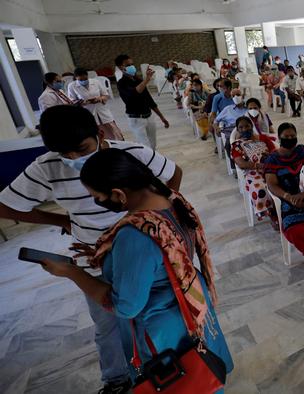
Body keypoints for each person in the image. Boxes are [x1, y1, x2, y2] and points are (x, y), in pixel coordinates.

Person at [0, 105, 183, 394]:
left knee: (147, 315)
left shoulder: (132, 155)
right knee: (107, 324)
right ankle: (119, 378)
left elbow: (173, 175)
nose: (74, 159)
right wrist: (62, 219)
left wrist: (149, 216)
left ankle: (160, 370)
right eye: (65, 154)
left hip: (137, 254)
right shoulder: (47, 167)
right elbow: (5, 204)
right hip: (94, 258)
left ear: (98, 133)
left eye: (81, 149)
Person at [40, 148, 233, 391]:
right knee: (203, 375)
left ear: (119, 193)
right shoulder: (171, 198)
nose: (96, 202)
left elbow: (126, 306)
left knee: (184, 381)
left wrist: (72, 272)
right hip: (189, 311)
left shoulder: (134, 237)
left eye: (97, 196)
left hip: (163, 331)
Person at [265, 123, 304, 268]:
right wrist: (289, 197)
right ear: (279, 138)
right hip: (288, 197)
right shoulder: (272, 160)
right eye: (286, 137)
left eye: (293, 136)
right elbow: (272, 184)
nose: (290, 139)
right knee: (293, 229)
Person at [231, 116, 278, 228]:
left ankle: (285, 208)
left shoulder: (263, 138)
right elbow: (241, 163)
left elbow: (274, 152)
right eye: (241, 127)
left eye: (247, 126)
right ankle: (272, 213)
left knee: (284, 181)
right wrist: (258, 165)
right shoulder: (237, 145)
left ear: (251, 126)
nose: (244, 129)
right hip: (253, 172)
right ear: (238, 130)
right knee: (260, 188)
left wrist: (269, 163)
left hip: (270, 167)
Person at [115, 54, 169, 149]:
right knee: (145, 146)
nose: (131, 67)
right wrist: (147, 79)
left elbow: (149, 100)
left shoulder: (138, 80)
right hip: (136, 119)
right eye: (128, 65)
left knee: (153, 144)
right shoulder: (121, 83)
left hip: (149, 116)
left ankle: (152, 160)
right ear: (120, 67)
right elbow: (134, 93)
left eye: (132, 64)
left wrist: (162, 117)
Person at [68, 67, 124, 141]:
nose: (83, 81)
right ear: (76, 78)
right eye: (80, 80)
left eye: (85, 79)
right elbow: (72, 101)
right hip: (88, 112)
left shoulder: (95, 82)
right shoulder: (72, 86)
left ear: (87, 76)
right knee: (97, 133)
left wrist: (100, 99)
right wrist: (83, 102)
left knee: (114, 131)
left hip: (101, 109)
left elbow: (106, 95)